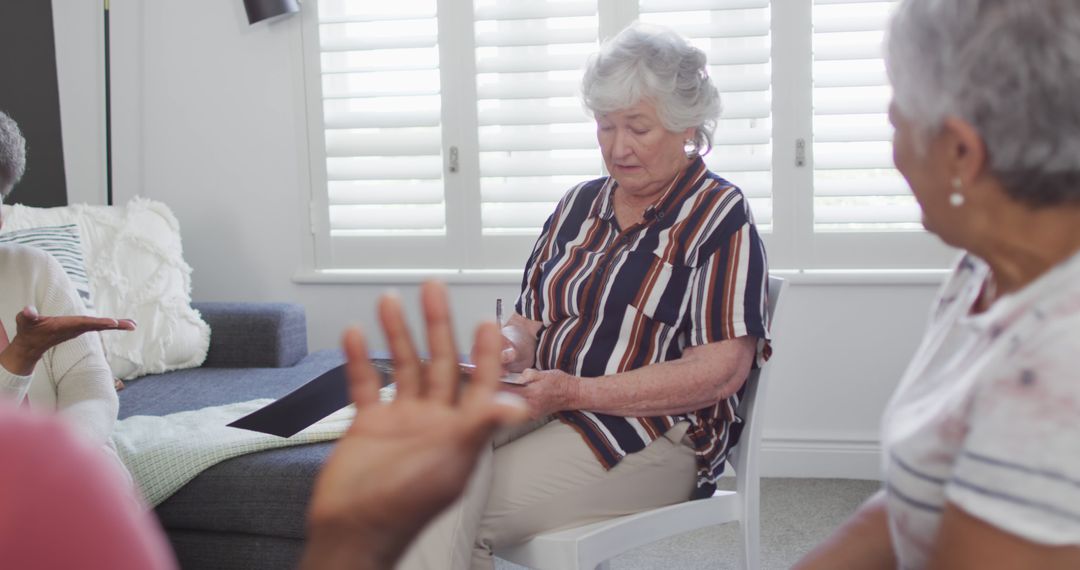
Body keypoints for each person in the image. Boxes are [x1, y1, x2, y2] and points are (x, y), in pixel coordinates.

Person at [399, 23, 771, 570]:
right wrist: (509, 346)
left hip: (654, 435)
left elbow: (719, 373)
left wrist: (574, 391)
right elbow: (528, 320)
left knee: (441, 505)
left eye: (638, 128)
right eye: (605, 127)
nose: (617, 148)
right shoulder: (578, 205)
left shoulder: (720, 216)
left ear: (686, 127)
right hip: (540, 400)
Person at [795, 1, 1080, 568]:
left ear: (959, 152)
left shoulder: (1055, 370)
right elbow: (920, 489)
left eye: (896, 120)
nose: (894, 150)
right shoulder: (982, 269)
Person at [0, 281, 528, 570]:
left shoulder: (33, 267)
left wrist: (72, 457)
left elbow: (90, 390)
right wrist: (19, 365)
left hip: (68, 453)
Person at [0, 110, 136, 458]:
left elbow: (91, 387)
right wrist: (20, 358)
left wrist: (64, 458)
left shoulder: (33, 268)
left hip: (70, 472)